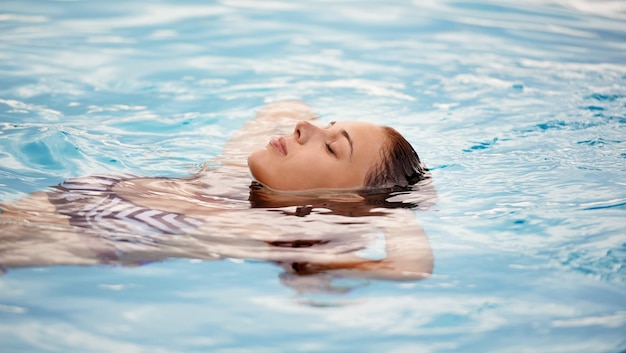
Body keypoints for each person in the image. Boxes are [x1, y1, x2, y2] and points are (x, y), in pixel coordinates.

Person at [0, 101, 435, 290]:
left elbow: (410, 268)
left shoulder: (269, 231)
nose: (305, 128)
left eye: (331, 147)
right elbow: (285, 105)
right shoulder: (228, 177)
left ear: (345, 199)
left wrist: (392, 210)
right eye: (327, 124)